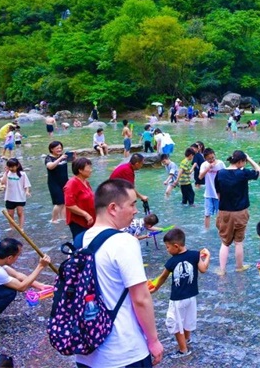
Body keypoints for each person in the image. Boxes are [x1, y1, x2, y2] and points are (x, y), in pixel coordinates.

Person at [75, 179, 163, 367]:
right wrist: (153, 340)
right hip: (124, 351)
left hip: (87, 350)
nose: (136, 211)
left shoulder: (80, 240)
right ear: (113, 208)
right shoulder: (125, 242)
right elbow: (141, 299)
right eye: (132, 204)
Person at [149, 228, 210, 359]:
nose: (167, 250)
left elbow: (163, 277)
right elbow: (203, 269)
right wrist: (208, 256)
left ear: (176, 246)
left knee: (175, 324)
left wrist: (155, 288)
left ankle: (183, 350)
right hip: (191, 297)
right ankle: (187, 340)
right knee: (188, 320)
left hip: (177, 299)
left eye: (167, 247)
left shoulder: (171, 262)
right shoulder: (195, 255)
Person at [214, 151, 260, 275]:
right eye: (244, 161)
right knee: (238, 242)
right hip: (240, 212)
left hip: (225, 211)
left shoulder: (220, 173)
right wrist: (250, 158)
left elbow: (218, 194)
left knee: (225, 242)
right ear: (241, 161)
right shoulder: (243, 173)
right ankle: (239, 267)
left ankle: (222, 270)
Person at [64, 157, 95, 240]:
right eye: (89, 168)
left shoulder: (86, 182)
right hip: (78, 222)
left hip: (89, 220)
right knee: (80, 243)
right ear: (80, 170)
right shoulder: (72, 183)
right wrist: (85, 214)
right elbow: (69, 205)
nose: (91, 170)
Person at [198, 148, 225, 230]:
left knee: (219, 215)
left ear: (215, 155)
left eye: (213, 157)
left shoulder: (220, 164)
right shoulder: (204, 165)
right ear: (205, 159)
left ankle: (221, 230)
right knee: (207, 214)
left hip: (219, 194)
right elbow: (200, 177)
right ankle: (206, 231)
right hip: (208, 194)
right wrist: (208, 168)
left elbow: (226, 175)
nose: (212, 160)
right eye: (209, 159)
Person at [0, 158, 31, 228]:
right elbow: (2, 182)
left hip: (20, 197)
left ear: (17, 166)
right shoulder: (7, 174)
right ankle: (12, 228)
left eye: (13, 166)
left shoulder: (22, 174)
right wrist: (6, 172)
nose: (11, 168)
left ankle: (21, 227)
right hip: (9, 197)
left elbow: (26, 185)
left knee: (20, 213)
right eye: (9, 167)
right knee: (10, 214)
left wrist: (27, 191)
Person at [45, 141, 69, 223]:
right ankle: (53, 219)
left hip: (65, 182)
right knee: (59, 202)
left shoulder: (63, 157)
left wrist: (74, 158)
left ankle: (63, 219)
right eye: (57, 148)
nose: (59, 149)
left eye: (60, 148)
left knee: (65, 202)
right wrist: (60, 158)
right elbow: (50, 167)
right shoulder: (48, 158)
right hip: (54, 183)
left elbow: (74, 165)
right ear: (51, 149)